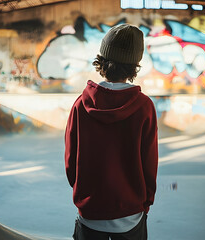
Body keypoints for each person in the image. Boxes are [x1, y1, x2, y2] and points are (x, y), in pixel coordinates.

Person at [65, 23, 158, 240]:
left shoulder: (81, 104)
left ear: (103, 60)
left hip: (90, 212)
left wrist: (84, 192)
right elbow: (149, 162)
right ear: (135, 65)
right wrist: (146, 202)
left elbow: (70, 160)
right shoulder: (144, 107)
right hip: (130, 215)